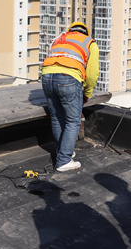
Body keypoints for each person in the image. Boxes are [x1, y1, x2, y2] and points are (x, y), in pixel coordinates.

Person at [40, 21, 99, 172]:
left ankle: (63, 151)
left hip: (47, 77)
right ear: (85, 32)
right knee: (73, 120)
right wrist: (87, 93)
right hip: (68, 78)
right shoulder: (89, 42)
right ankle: (64, 160)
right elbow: (92, 74)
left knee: (57, 117)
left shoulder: (60, 39)